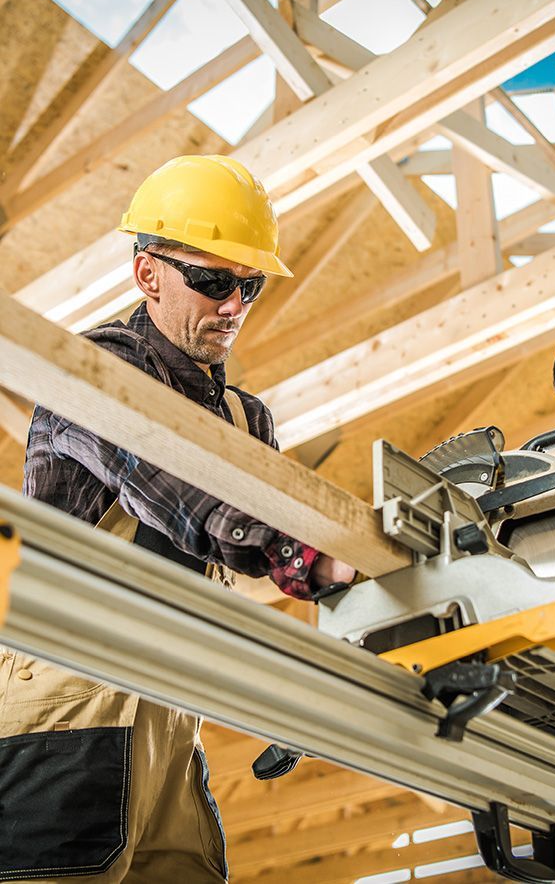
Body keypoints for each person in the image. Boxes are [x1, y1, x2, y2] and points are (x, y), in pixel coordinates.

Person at [0, 155, 355, 882]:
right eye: (213, 281)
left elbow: (216, 584)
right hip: (66, 711)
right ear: (147, 274)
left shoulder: (244, 418)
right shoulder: (93, 371)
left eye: (248, 286)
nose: (234, 306)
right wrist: (300, 551)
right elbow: (171, 488)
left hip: (168, 718)